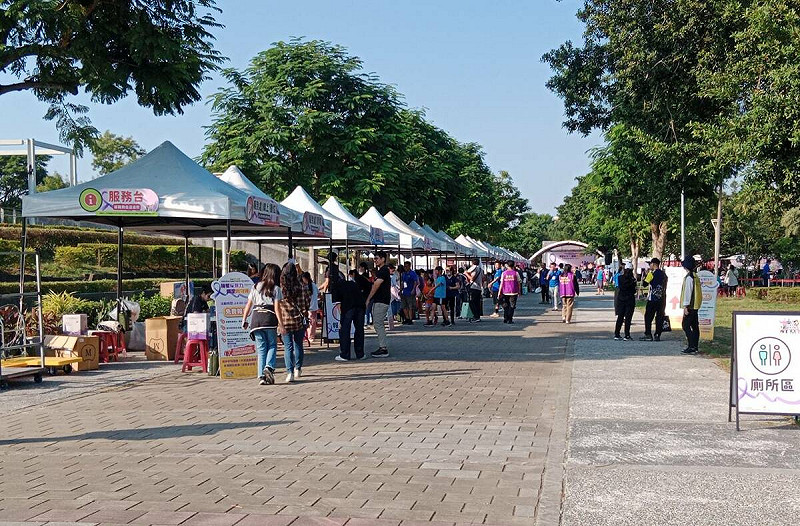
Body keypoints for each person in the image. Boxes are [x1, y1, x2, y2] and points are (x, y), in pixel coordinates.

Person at [241, 264, 282, 386]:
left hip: (256, 319)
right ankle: (269, 367)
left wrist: (244, 319)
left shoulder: (255, 286)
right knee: (272, 345)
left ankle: (262, 377)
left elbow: (249, 304)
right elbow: (277, 308)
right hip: (269, 318)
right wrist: (281, 324)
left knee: (261, 349)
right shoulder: (276, 288)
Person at [276, 261, 311, 382]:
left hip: (285, 321)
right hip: (299, 321)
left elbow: (277, 306)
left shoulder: (281, 290)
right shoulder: (302, 286)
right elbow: (307, 303)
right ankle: (298, 369)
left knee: (288, 347)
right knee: (298, 345)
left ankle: (289, 372)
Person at [330, 266, 366, 361]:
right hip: (360, 306)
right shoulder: (351, 283)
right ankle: (360, 354)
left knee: (345, 330)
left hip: (348, 308)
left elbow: (339, 306)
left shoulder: (335, 286)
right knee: (359, 329)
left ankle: (345, 354)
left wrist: (341, 320)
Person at [366, 251, 391, 357]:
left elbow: (376, 285)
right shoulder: (381, 270)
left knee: (378, 324)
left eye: (376, 258)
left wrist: (368, 298)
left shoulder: (383, 271)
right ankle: (382, 346)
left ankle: (383, 348)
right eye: (374, 258)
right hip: (380, 300)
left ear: (383, 259)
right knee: (378, 323)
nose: (375, 260)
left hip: (381, 301)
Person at [640, 258, 666, 341]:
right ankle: (657, 334)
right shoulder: (663, 274)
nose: (649, 266)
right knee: (659, 317)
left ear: (654, 264)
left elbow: (644, 284)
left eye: (650, 264)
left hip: (652, 299)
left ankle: (648, 334)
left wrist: (646, 275)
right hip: (662, 299)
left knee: (648, 316)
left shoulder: (651, 274)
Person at [680, 256, 702, 354]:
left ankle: (691, 346)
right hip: (696, 305)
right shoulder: (695, 276)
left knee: (685, 325)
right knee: (695, 327)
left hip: (690, 305)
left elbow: (688, 292)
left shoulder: (689, 277)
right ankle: (695, 346)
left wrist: (685, 306)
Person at [614, 262, 637, 341]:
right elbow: (634, 290)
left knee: (620, 317)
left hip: (621, 299)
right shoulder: (632, 280)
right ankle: (627, 335)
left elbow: (621, 287)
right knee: (628, 318)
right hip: (630, 299)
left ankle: (617, 334)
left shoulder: (620, 278)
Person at [300, 271, 320, 344]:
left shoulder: (305, 286)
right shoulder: (313, 285)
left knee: (309, 322)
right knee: (313, 322)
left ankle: (309, 336)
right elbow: (319, 294)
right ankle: (311, 336)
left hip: (308, 307)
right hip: (314, 306)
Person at [465, 258, 485, 322]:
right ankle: (478, 316)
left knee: (472, 302)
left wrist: (466, 274)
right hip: (479, 288)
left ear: (472, 263)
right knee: (477, 303)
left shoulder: (474, 268)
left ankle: (475, 316)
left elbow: (472, 278)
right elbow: (483, 278)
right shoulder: (481, 269)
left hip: (473, 287)